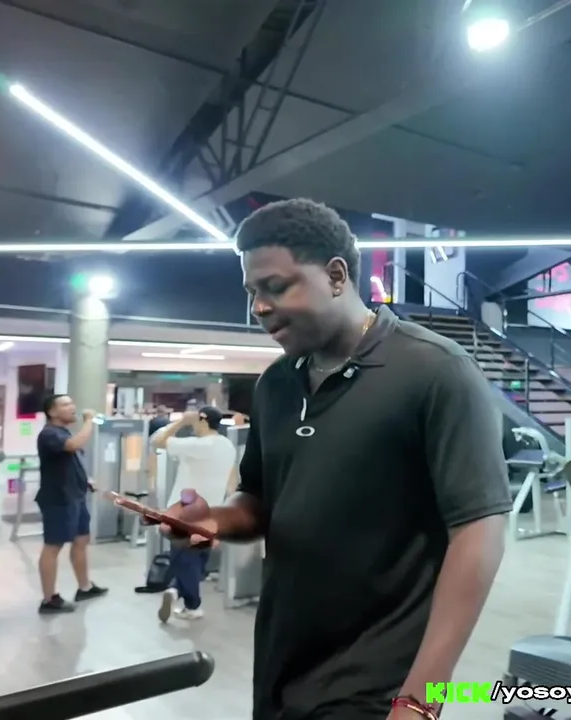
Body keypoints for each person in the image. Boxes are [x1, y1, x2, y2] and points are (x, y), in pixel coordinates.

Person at [163, 198, 510, 720]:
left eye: (276, 287)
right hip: (282, 663)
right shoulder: (276, 384)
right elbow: (258, 498)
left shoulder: (435, 370)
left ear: (335, 275)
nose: (259, 307)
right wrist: (211, 520)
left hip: (376, 682)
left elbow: (479, 534)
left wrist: (421, 699)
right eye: (252, 292)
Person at [150, 406, 238, 623]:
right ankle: (175, 591)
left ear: (203, 421)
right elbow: (232, 477)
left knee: (184, 559)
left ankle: (193, 605)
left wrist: (181, 422)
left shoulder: (196, 445)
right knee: (197, 559)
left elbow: (156, 441)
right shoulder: (227, 446)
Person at [35, 394, 108, 614]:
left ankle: (84, 587)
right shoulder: (49, 434)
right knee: (53, 546)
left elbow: (67, 462)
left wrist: (85, 481)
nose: (72, 407)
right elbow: (74, 445)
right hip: (58, 499)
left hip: (75, 496)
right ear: (52, 412)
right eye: (65, 404)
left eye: (71, 403)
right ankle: (49, 599)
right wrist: (89, 421)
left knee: (81, 540)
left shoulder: (63, 432)